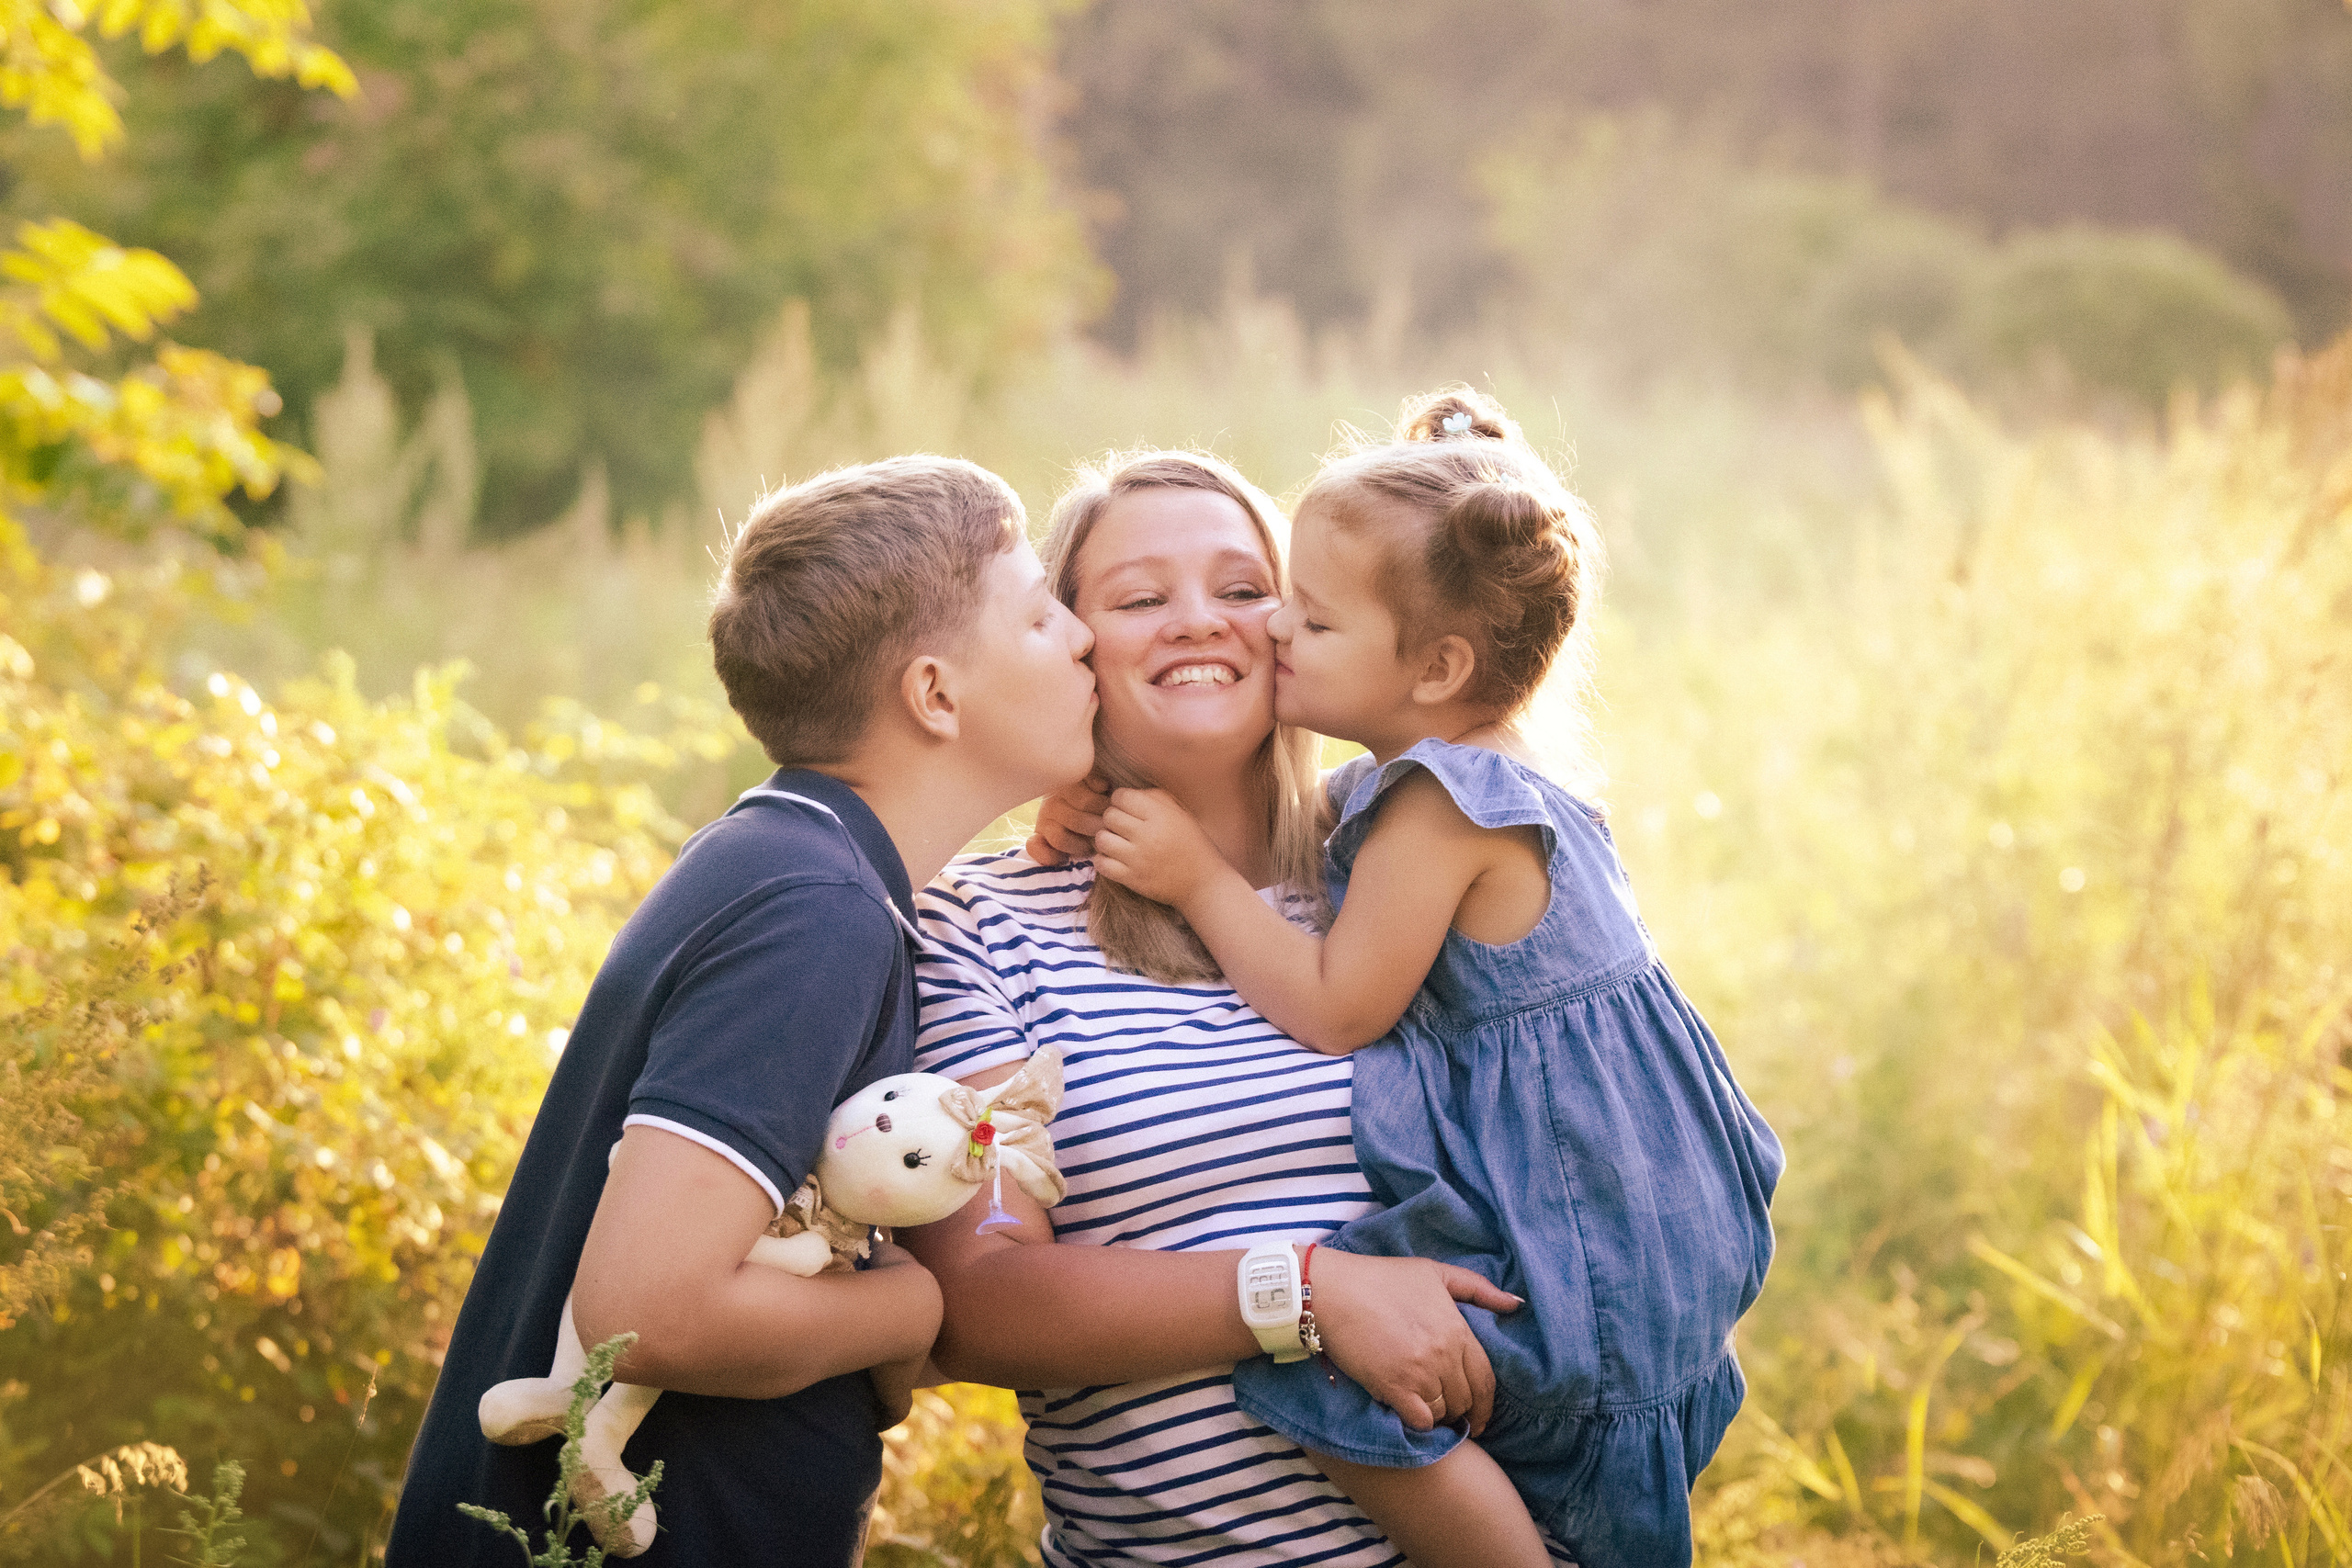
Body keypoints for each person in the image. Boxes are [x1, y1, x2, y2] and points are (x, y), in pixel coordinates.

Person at [1089, 389, 1785, 1568]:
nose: (1272, 637)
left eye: (1310, 622)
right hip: (1635, 1195)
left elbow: (1333, 1006)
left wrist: (1199, 880)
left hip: (1577, 1214)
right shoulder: (1484, 770)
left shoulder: (1437, 808)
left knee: (1346, 1404)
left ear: (1438, 664)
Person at [386, 457, 1100, 1567]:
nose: (1084, 636)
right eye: (1040, 612)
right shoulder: (815, 913)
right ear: (935, 695)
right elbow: (648, 1314)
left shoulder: (784, 860)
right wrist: (907, 1316)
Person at [901, 449, 1535, 1568]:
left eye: (1245, 591)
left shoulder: (1407, 874)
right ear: (1069, 642)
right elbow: (985, 1300)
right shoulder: (981, 929)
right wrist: (1303, 1291)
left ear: (1306, 630)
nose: (1200, 622)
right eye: (1141, 599)